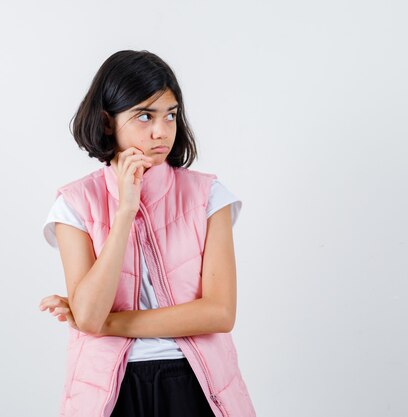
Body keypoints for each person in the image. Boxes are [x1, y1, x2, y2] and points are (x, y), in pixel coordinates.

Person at [37, 50, 256, 417]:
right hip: (110, 390)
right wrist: (125, 210)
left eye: (170, 115)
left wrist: (110, 323)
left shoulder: (208, 196)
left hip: (196, 383)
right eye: (144, 115)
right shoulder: (75, 204)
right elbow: (89, 316)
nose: (161, 131)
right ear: (108, 122)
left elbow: (220, 312)